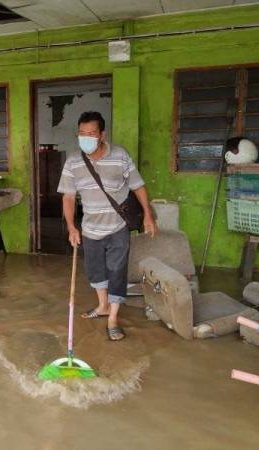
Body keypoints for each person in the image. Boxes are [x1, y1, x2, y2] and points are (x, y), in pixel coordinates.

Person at [57, 111, 157, 341]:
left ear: (102, 135)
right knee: (95, 271)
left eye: (91, 133)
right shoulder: (73, 161)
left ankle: (113, 318)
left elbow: (138, 186)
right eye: (82, 134)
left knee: (117, 271)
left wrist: (148, 216)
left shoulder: (120, 155)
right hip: (90, 228)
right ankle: (102, 306)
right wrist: (72, 227)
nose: (86, 138)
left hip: (118, 226)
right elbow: (68, 197)